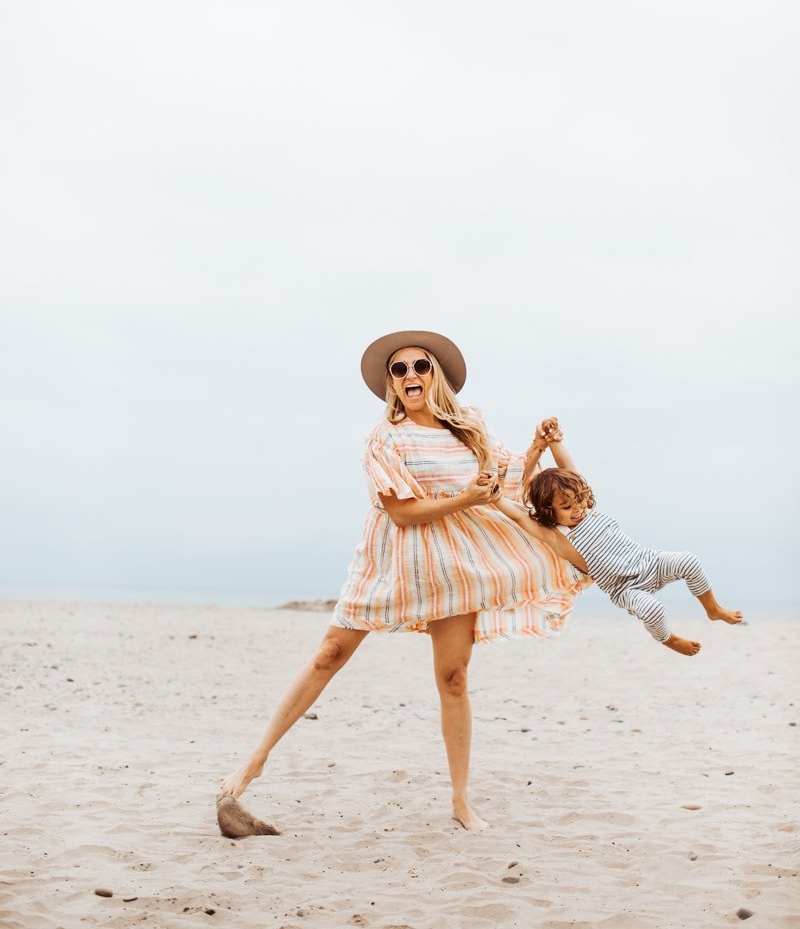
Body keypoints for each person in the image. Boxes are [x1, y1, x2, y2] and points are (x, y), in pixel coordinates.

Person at [220, 331, 589, 831]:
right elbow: (401, 513)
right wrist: (465, 499)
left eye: (420, 366)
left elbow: (509, 479)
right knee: (330, 653)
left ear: (435, 375)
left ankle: (461, 803)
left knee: (453, 678)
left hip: (459, 564)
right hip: (394, 559)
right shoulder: (385, 438)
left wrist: (540, 445)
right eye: (400, 369)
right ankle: (250, 767)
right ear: (391, 384)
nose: (411, 375)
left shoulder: (471, 427)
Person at [498, 418, 743, 655]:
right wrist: (495, 498)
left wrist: (554, 441)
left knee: (688, 560)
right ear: (549, 512)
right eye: (567, 507)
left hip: (649, 562)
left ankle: (713, 608)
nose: (578, 509)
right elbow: (520, 517)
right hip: (625, 588)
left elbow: (568, 469)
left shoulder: (589, 512)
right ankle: (668, 639)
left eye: (579, 500)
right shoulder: (559, 537)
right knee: (653, 609)